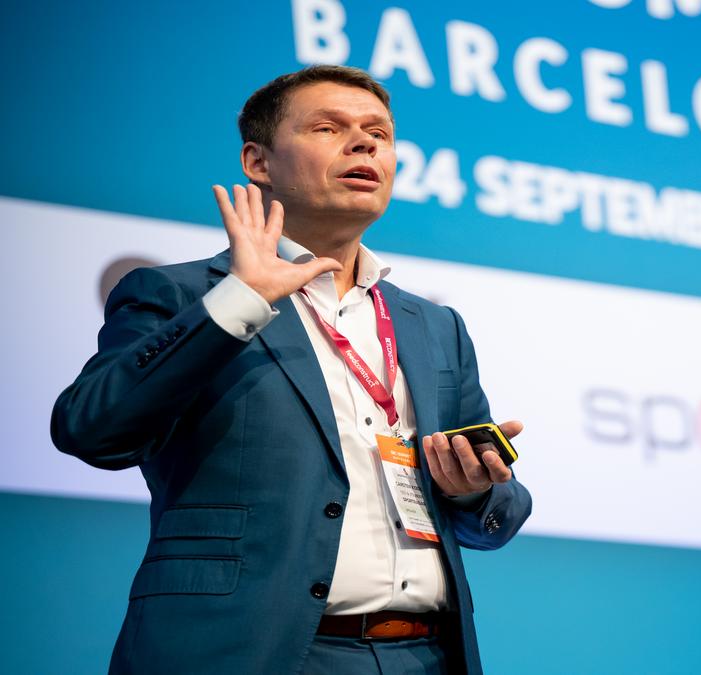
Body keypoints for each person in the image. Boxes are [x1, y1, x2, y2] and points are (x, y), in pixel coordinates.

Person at [50, 65, 532, 674]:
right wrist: (240, 300)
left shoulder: (434, 326)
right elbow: (91, 431)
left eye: (378, 134)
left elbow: (495, 518)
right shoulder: (181, 296)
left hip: (426, 654)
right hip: (246, 653)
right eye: (329, 128)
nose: (363, 146)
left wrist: (476, 488)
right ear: (258, 162)